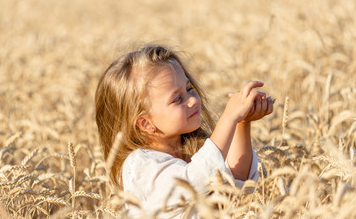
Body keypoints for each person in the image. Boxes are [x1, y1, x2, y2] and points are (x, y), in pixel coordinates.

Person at [95, 44, 273, 218]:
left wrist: (242, 123)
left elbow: (234, 187)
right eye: (177, 99)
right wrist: (228, 118)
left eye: (189, 89)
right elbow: (194, 180)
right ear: (145, 123)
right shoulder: (139, 165)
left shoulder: (194, 150)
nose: (192, 100)